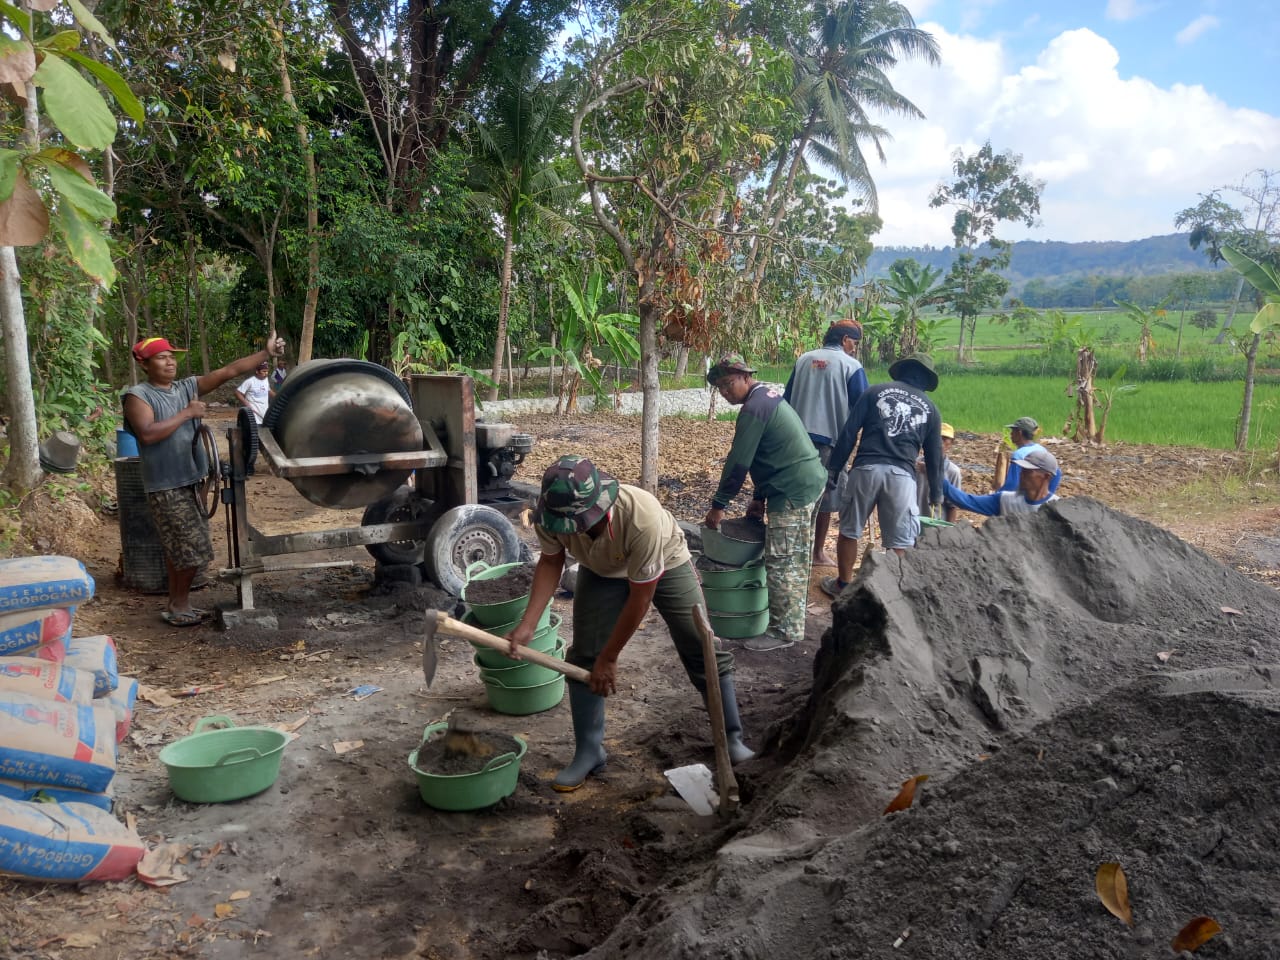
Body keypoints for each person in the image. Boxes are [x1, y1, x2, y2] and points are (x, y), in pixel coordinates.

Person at [509, 456, 754, 792]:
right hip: (601, 569)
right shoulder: (550, 514)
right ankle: (589, 751)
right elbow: (551, 563)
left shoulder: (642, 517)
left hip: (665, 562)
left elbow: (641, 599)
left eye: (579, 523)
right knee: (584, 656)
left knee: (699, 643)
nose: (572, 531)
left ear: (599, 505)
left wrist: (610, 658)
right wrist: (528, 624)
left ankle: (731, 737)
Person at [122, 333, 287, 626]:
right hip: (166, 484)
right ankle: (179, 605)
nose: (170, 361)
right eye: (161, 357)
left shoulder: (187, 387)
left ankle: (178, 604)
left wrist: (265, 353)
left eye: (172, 356)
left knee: (180, 549)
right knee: (192, 550)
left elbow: (228, 372)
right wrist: (187, 414)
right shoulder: (139, 396)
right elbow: (147, 434)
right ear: (144, 363)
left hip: (193, 480)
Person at [703, 353, 827, 652]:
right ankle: (791, 622)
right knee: (795, 559)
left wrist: (719, 504)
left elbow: (739, 461)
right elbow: (767, 454)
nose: (724, 391)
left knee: (783, 561)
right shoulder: (766, 399)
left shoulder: (754, 408)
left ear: (747, 377)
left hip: (792, 490)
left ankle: (784, 632)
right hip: (805, 482)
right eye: (719, 386)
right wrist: (758, 498)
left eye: (728, 383)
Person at [821, 353, 943, 598]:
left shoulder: (874, 392)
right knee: (899, 541)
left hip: (867, 468)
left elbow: (848, 433)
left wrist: (833, 469)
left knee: (850, 529)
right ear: (926, 380)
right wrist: (936, 494)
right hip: (902, 477)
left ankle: (843, 585)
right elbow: (934, 456)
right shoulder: (930, 409)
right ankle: (889, 594)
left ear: (902, 370)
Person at [783, 320, 869, 566]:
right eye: (854, 342)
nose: (854, 347)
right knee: (826, 499)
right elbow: (863, 406)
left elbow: (786, 400)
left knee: (796, 495)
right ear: (844, 340)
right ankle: (817, 552)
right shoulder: (851, 366)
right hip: (830, 442)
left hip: (795, 439)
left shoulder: (803, 360)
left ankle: (793, 549)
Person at [946, 447, 1060, 516]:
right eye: (1022, 470)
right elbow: (966, 501)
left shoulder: (1058, 509)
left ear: (1046, 476)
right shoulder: (1005, 500)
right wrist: (937, 478)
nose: (1021, 474)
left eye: (1028, 471)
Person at [998, 416, 1062, 495]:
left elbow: (1011, 485)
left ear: (1019, 433)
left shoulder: (1019, 455)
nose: (1011, 434)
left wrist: (997, 497)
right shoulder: (1042, 449)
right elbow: (1057, 473)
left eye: (1013, 431)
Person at [917, 421, 963, 522]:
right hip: (914, 523)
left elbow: (952, 506)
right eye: (937, 438)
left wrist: (948, 532)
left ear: (951, 443)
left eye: (944, 439)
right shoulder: (916, 465)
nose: (939, 443)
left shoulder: (953, 472)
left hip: (936, 526)